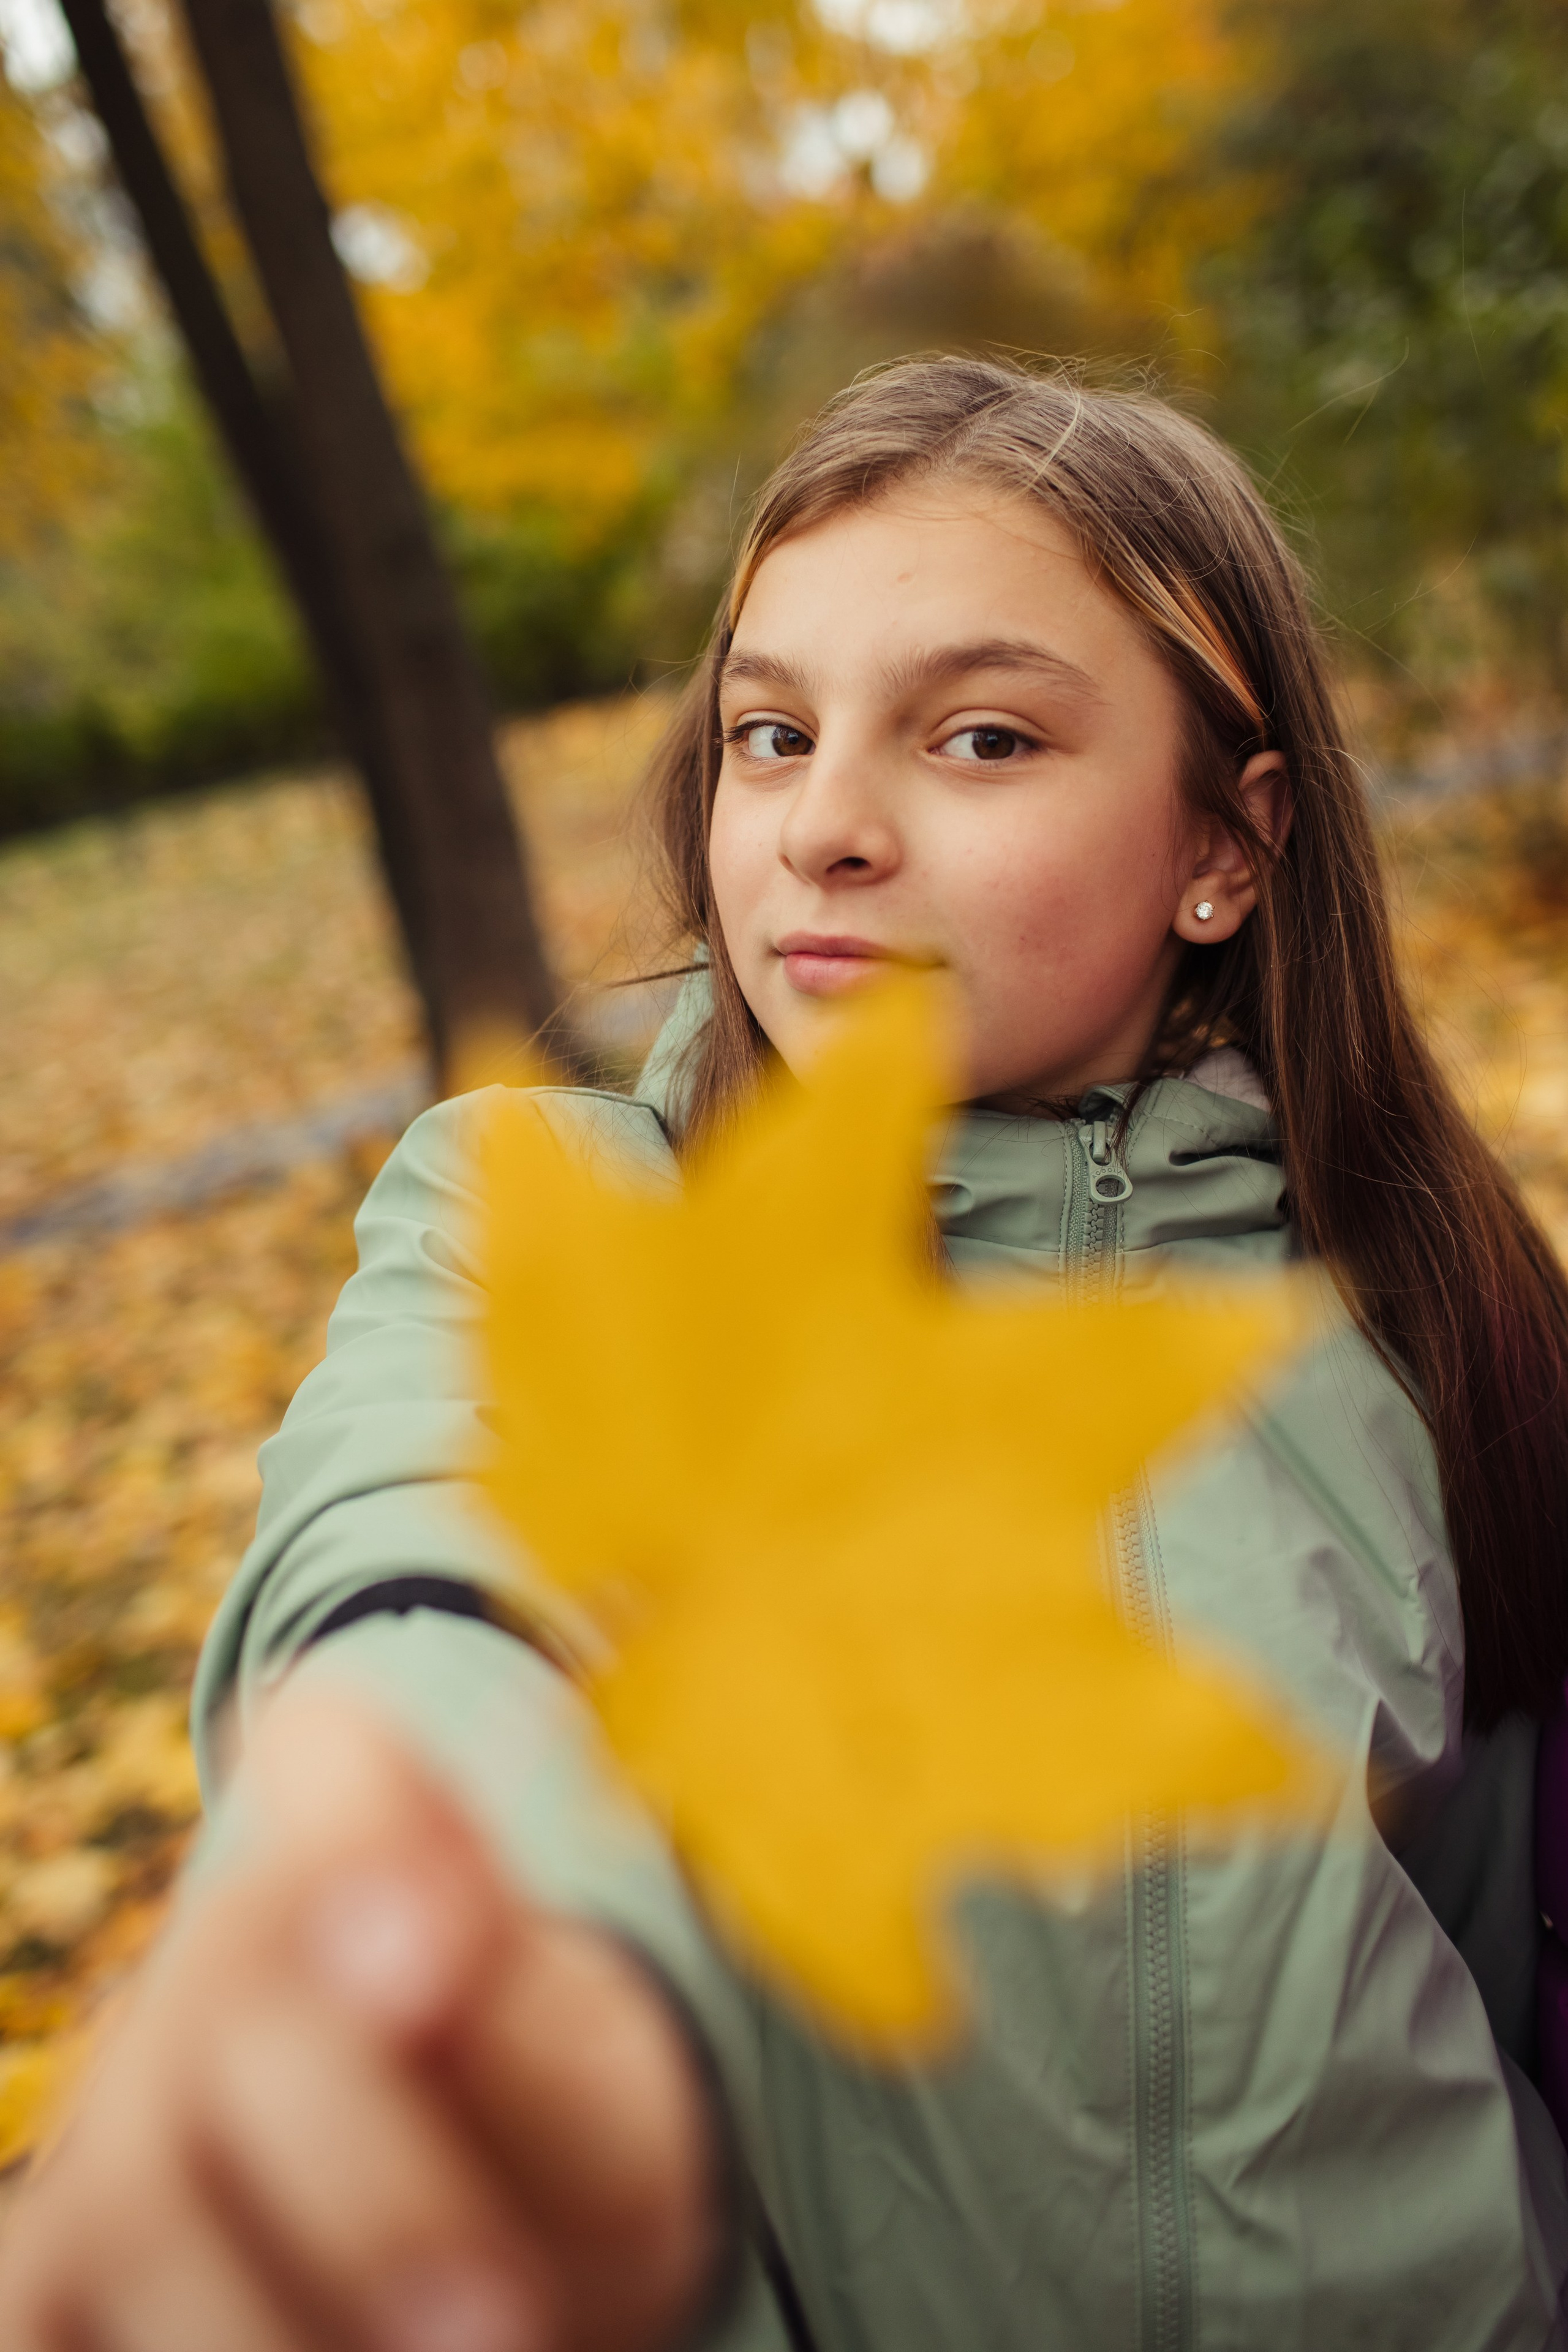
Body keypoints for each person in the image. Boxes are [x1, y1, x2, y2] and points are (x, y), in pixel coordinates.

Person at [6, 353, 1568, 2352]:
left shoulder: (1417, 1300)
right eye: (771, 732)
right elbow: (418, 1575)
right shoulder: (562, 1216)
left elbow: (1499, 1942)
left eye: (981, 737)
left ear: (1227, 847)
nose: (824, 825)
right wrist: (400, 1897)